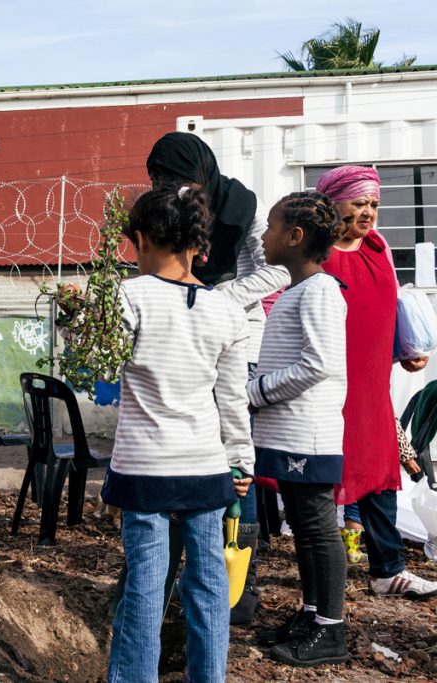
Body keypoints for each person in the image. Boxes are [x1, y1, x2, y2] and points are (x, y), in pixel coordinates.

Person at [101, 185, 254, 683]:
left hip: (145, 469)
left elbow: (102, 372)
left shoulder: (128, 296)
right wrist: (242, 462)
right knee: (208, 585)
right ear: (195, 242)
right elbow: (233, 399)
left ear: (141, 240)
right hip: (206, 469)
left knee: (146, 586)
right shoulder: (228, 311)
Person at [146, 132, 290, 623]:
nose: (175, 188)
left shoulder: (243, 206)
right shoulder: (174, 208)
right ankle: (174, 579)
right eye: (163, 180)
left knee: (237, 468)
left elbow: (278, 273)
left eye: (180, 178)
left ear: (202, 169)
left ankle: (241, 582)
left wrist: (221, 298)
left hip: (237, 337)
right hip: (187, 333)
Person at [317, 166, 437, 599]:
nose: (368, 213)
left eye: (374, 205)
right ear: (332, 202)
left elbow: (385, 308)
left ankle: (388, 570)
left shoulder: (378, 246)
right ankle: (318, 579)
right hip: (327, 382)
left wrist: (404, 352)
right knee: (323, 477)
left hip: (372, 383)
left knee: (382, 473)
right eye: (359, 203)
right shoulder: (314, 252)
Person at [248, 192, 349, 665]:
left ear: (295, 236)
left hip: (307, 434)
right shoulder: (297, 290)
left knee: (317, 528)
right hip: (289, 433)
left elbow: (319, 364)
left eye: (270, 227)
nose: (264, 236)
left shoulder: (320, 291)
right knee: (304, 528)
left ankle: (331, 630)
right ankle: (311, 614)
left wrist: (258, 390)